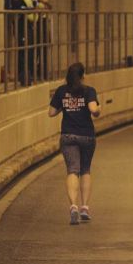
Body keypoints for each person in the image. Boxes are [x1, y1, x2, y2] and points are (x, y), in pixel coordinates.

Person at [48, 62, 100, 225]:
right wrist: (98, 108)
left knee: (72, 170)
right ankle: (84, 207)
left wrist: (66, 106)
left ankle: (73, 207)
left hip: (68, 136)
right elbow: (93, 110)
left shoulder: (62, 91)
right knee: (85, 170)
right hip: (86, 136)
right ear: (83, 76)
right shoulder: (88, 91)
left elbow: (51, 112)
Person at [9, 0, 37, 85]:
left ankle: (28, 76)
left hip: (28, 25)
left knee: (29, 51)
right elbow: (18, 8)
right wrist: (30, 9)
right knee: (23, 52)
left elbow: (34, 4)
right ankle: (23, 77)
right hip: (21, 25)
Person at [26, 0, 51, 80]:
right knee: (33, 48)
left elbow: (48, 6)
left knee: (44, 47)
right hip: (34, 21)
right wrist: (42, 3)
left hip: (43, 20)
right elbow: (34, 5)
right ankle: (32, 72)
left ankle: (43, 72)